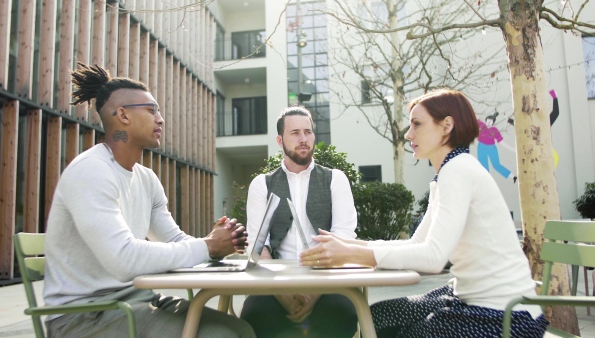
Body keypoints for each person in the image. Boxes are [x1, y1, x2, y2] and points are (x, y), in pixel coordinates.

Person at [300, 89, 548, 337]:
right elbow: (418, 243)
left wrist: (351, 253)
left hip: (507, 316)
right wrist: (352, 245)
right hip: (470, 300)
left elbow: (433, 258)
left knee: (397, 330)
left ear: (446, 126)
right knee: (378, 317)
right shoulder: (449, 172)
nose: (408, 134)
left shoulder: (458, 171)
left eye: (417, 124)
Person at [43, 62, 255, 338]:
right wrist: (208, 246)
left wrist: (217, 242)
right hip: (84, 317)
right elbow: (124, 259)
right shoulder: (91, 171)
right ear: (123, 116)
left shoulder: (146, 179)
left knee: (240, 329)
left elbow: (175, 241)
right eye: (151, 110)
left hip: (136, 302)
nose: (161, 119)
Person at [240, 106, 358, 338]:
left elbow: (343, 238)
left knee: (342, 315)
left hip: (328, 280)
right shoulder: (261, 184)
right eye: (294, 133)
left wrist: (313, 295)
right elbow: (257, 245)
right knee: (254, 316)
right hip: (274, 281)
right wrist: (283, 295)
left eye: (308, 132)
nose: (303, 139)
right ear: (279, 139)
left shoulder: (335, 179)